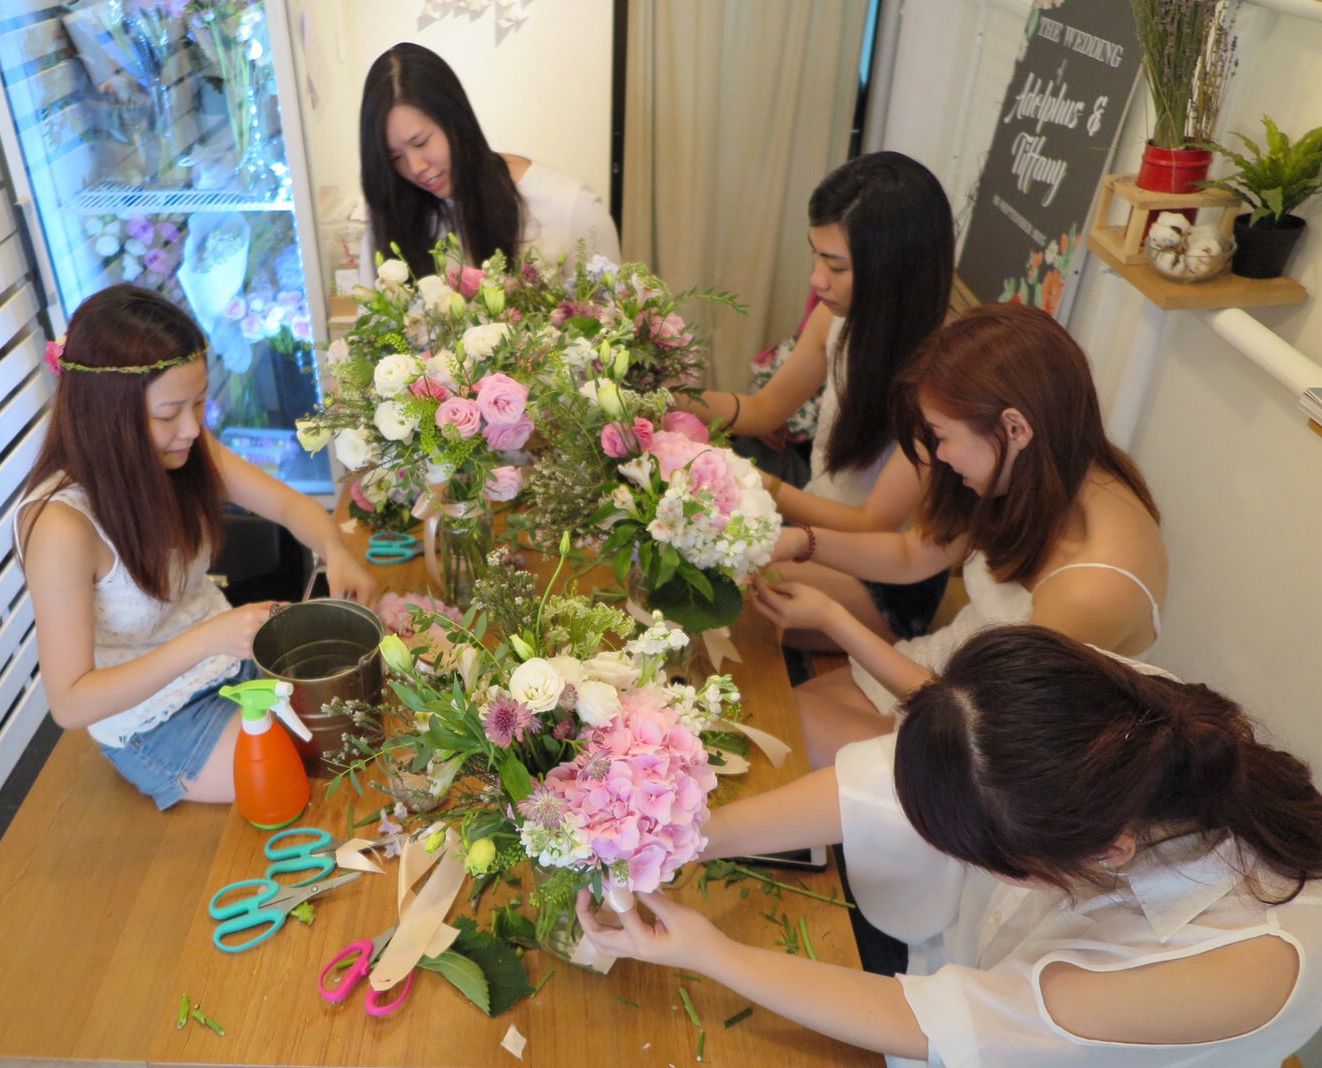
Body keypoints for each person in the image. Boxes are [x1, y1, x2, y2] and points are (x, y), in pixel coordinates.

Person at [576, 625, 1322, 1066]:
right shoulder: (1119, 714)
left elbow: (950, 1022)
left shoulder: (1237, 963)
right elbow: (878, 786)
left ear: (1104, 854)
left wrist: (713, 953)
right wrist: (686, 837)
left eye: (977, 855)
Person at [754, 302, 1168, 768]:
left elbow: (980, 717)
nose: (941, 455)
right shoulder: (1046, 466)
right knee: (760, 709)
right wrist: (802, 543)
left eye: (943, 436)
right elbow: (914, 554)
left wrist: (833, 618)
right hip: (941, 666)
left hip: (974, 746)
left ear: (1015, 426)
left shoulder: (1093, 587)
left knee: (765, 734)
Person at [15, 284, 378, 809]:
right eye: (168, 414)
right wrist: (207, 639)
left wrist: (335, 550)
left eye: (200, 402)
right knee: (304, 774)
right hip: (155, 719)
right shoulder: (60, 527)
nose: (191, 428)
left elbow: (289, 507)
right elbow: (70, 703)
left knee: (358, 721)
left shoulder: (183, 446)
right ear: (106, 414)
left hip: (232, 660)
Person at [682, 152, 956, 650]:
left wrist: (754, 482)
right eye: (816, 256)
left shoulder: (941, 376)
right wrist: (672, 400)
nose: (816, 279)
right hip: (811, 527)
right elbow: (764, 410)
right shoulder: (836, 321)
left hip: (882, 576)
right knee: (683, 556)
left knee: (706, 597)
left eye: (835, 265)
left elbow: (874, 525)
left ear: (895, 269)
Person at [356, 42, 620, 282]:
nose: (414, 168)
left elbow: (611, 325)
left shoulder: (571, 209)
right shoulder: (389, 221)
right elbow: (374, 328)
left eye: (421, 142)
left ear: (456, 120)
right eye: (395, 157)